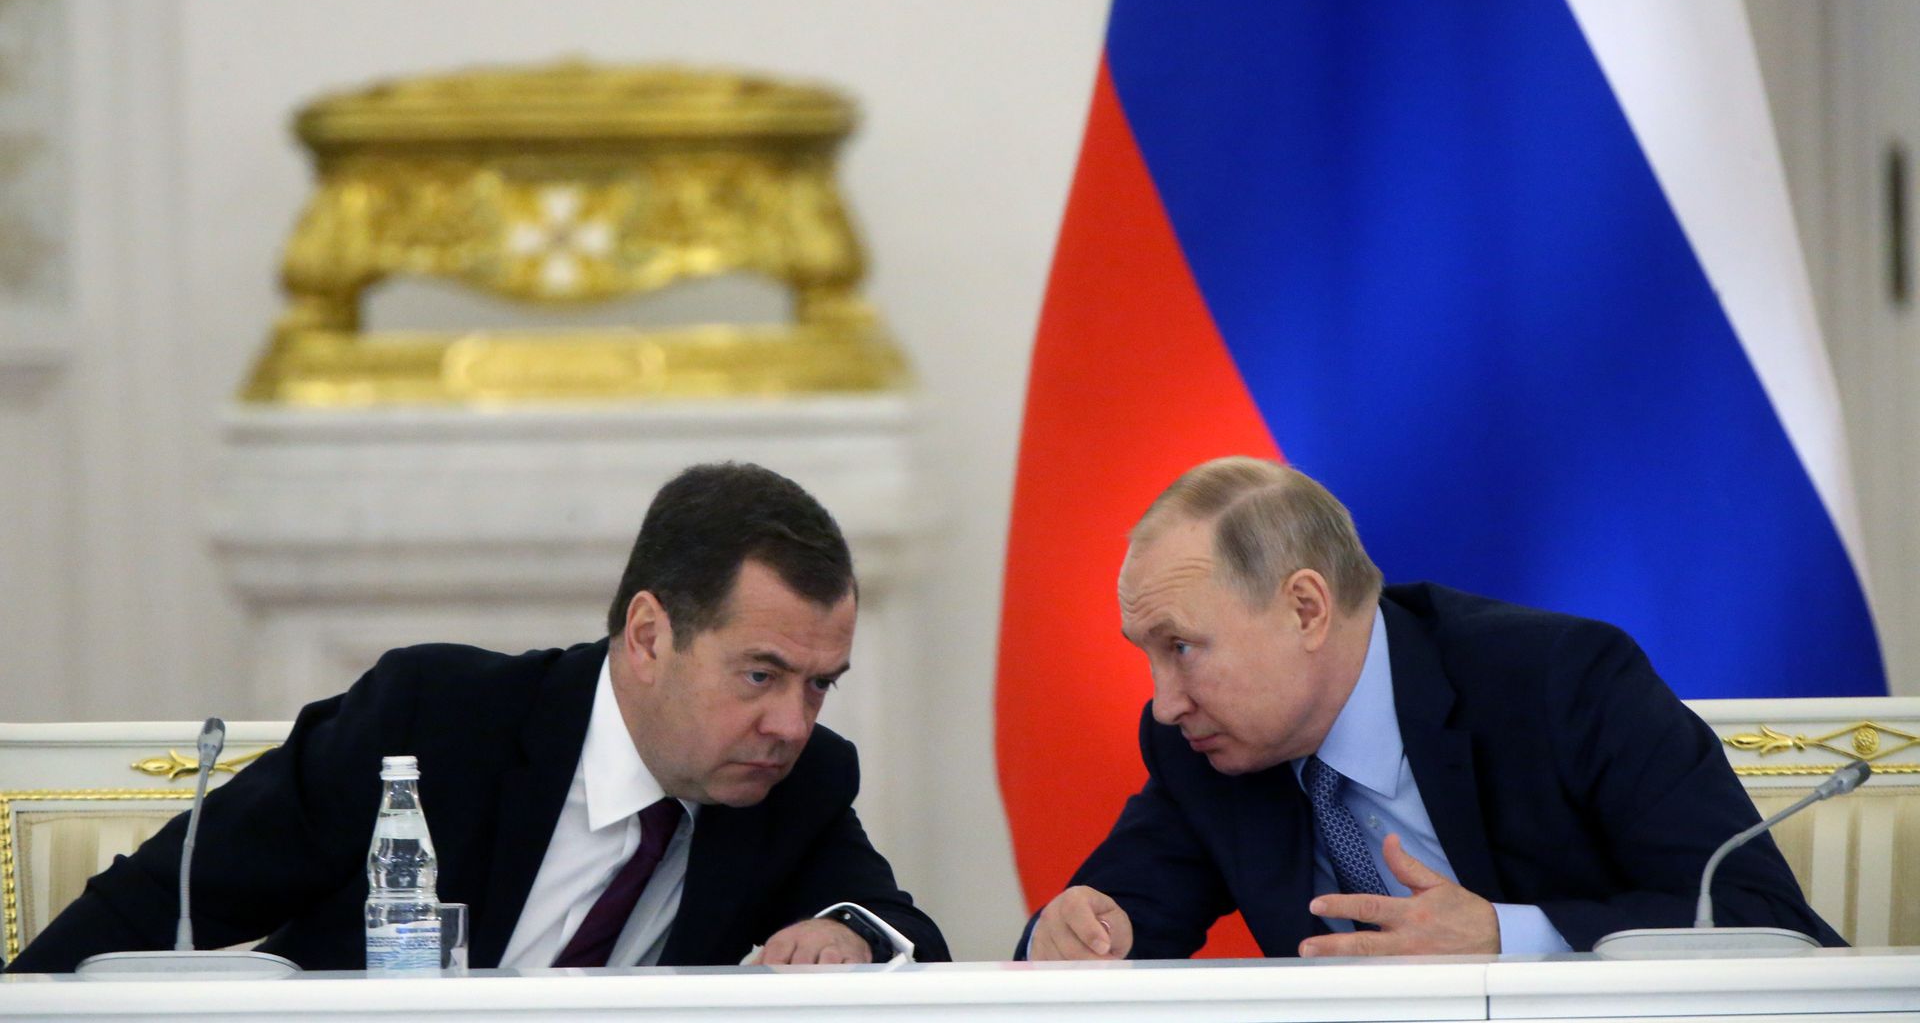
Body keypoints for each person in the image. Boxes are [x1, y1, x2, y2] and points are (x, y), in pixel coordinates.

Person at [15, 462, 947, 972]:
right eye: (762, 675)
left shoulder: (797, 783)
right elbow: (169, 898)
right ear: (650, 635)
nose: (792, 722)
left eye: (821, 683)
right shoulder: (438, 720)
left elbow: (904, 928)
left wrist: (850, 934)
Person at [1021, 456, 1839, 961]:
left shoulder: (1558, 681)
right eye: (1149, 656)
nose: (1164, 703)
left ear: (1306, 609)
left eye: (1183, 647)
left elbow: (1762, 922)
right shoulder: (1204, 747)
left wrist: (1506, 937)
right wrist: (1074, 931)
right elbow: (1110, 921)